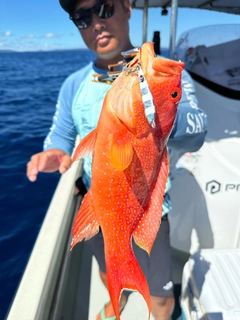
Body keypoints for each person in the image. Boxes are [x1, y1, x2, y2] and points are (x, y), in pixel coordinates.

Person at [26, 0, 208, 319]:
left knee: (161, 296)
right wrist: (55, 150)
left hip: (149, 206)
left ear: (126, 7)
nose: (96, 22)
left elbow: (198, 130)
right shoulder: (74, 85)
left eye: (104, 8)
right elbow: (62, 133)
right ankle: (117, 299)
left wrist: (165, 109)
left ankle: (158, 307)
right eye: (82, 17)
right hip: (98, 204)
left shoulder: (164, 77)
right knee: (109, 270)